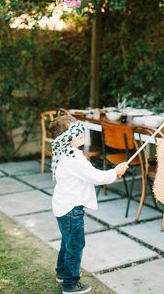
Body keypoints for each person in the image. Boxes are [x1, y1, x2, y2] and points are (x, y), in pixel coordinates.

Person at [49, 115, 128, 294]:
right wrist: (116, 172)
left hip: (63, 207)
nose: (81, 133)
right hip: (71, 210)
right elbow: (96, 177)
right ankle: (70, 284)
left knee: (67, 243)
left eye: (80, 128)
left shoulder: (64, 153)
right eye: (76, 131)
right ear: (66, 138)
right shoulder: (74, 158)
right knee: (75, 246)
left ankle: (62, 273)